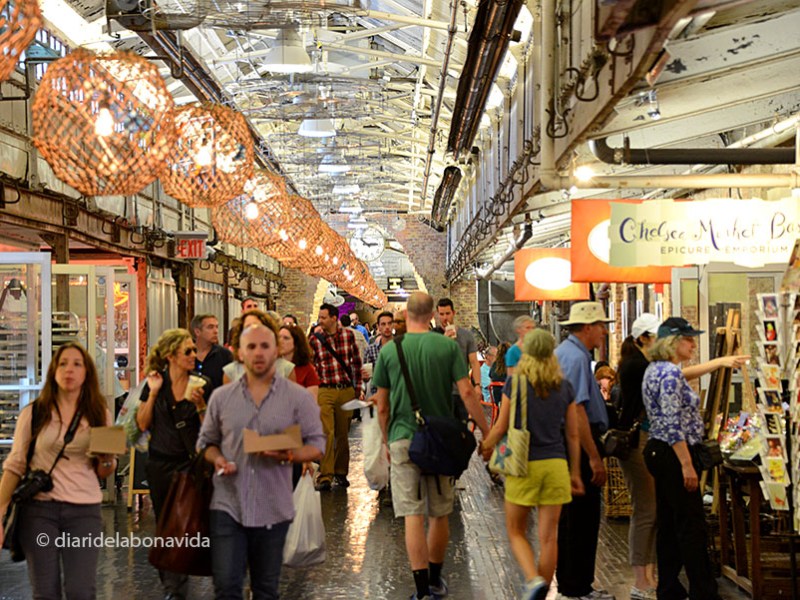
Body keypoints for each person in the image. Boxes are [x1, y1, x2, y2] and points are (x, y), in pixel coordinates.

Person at [373, 292, 489, 600]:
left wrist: (385, 440)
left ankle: (421, 590)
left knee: (412, 514)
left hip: (402, 437)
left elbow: (381, 405)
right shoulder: (447, 347)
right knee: (439, 513)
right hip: (438, 439)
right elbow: (466, 393)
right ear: (432, 315)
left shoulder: (389, 351)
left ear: (407, 314)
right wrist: (487, 430)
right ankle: (437, 581)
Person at [198, 322, 326, 600]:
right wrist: (218, 458)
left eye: (265, 346)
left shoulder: (296, 398)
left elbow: (317, 444)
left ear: (276, 352)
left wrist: (290, 454)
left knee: (266, 589)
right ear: (240, 353)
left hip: (273, 506)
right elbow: (205, 442)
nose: (258, 353)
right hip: (228, 504)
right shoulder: (221, 398)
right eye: (251, 346)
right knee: (227, 586)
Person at [642, 317, 749, 600]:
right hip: (673, 453)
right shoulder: (669, 375)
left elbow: (685, 377)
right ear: (673, 343)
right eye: (689, 339)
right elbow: (671, 423)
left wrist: (720, 362)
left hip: (660, 451)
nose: (693, 344)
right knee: (691, 526)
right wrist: (687, 464)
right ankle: (703, 592)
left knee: (669, 524)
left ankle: (669, 588)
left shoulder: (658, 370)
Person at [0, 343, 115, 599]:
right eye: (62, 363)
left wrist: (106, 459)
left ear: (87, 373)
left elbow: (106, 471)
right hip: (41, 511)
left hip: (84, 511)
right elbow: (15, 465)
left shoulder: (100, 415)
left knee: (81, 590)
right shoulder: (34, 413)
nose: (69, 370)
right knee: (45, 591)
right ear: (53, 371)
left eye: (77, 364)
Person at [480, 330, 584, 600]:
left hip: (522, 464)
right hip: (556, 466)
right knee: (549, 538)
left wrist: (486, 444)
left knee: (516, 530)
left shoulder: (515, 385)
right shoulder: (565, 387)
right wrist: (575, 471)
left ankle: (534, 579)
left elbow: (501, 425)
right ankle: (541, 589)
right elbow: (573, 434)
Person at [135, 328, 211, 599]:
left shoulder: (201, 384)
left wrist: (201, 406)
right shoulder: (156, 383)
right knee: (165, 526)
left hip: (189, 466)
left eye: (194, 350)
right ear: (171, 356)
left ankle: (177, 584)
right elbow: (142, 424)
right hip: (160, 465)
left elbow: (210, 430)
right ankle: (172, 585)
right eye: (187, 351)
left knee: (188, 524)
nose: (194, 355)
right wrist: (153, 392)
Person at [553, 301, 613, 600]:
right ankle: (578, 587)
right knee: (582, 519)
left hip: (565, 443)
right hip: (576, 443)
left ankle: (571, 584)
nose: (604, 332)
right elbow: (576, 411)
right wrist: (593, 456)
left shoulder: (566, 353)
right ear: (588, 327)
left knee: (571, 519)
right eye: (601, 326)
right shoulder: (576, 359)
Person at [616, 313, 661, 600]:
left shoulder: (641, 364)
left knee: (651, 509)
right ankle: (640, 580)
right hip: (636, 443)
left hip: (644, 440)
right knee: (645, 509)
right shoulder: (637, 366)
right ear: (644, 338)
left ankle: (649, 575)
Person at [309, 303, 364, 491]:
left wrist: (357, 388)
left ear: (334, 318)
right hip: (325, 389)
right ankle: (325, 475)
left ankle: (341, 472)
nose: (320, 320)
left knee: (343, 433)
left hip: (345, 389)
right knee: (326, 432)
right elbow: (312, 365)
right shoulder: (315, 339)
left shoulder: (348, 336)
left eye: (323, 317)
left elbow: (356, 363)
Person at [435, 298, 482, 413]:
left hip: (462, 390)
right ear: (437, 315)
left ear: (453, 313)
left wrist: (477, 385)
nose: (445, 318)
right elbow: (431, 360)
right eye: (441, 314)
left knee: (462, 425)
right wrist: (444, 340)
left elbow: (474, 362)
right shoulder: (432, 336)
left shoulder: (466, 336)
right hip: (440, 391)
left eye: (447, 313)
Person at [223, 310, 296, 384]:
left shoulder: (286, 369)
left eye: (256, 326)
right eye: (247, 327)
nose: (252, 330)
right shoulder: (231, 372)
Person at [191, 314, 233, 391]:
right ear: (197, 331)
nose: (216, 331)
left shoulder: (225, 355)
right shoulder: (187, 354)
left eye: (217, 327)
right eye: (210, 327)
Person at [363, 311, 395, 400]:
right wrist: (364, 377)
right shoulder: (370, 350)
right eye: (383, 324)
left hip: (398, 394)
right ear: (378, 327)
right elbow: (367, 377)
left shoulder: (402, 347)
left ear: (393, 325)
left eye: (389, 323)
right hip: (377, 394)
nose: (387, 327)